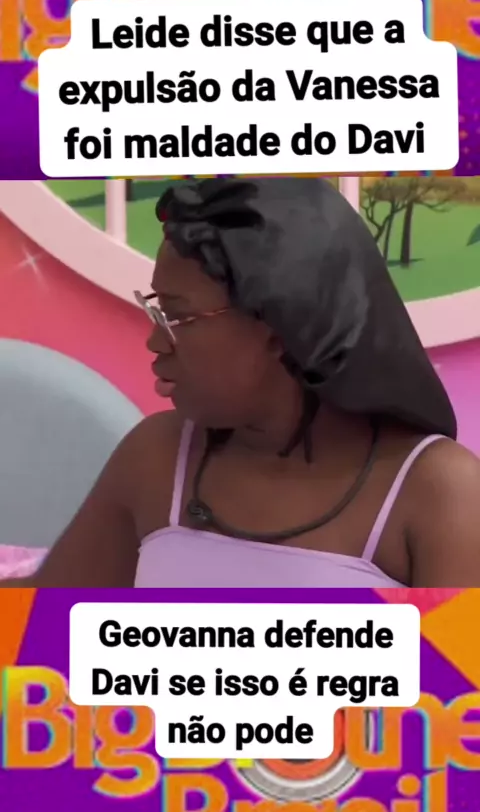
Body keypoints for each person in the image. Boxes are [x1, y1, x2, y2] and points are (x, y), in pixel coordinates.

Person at [2, 177, 480, 589]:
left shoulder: (439, 493)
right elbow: (36, 626)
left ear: (279, 329)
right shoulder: (157, 457)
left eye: (177, 316)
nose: (155, 341)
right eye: (156, 311)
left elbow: (455, 670)